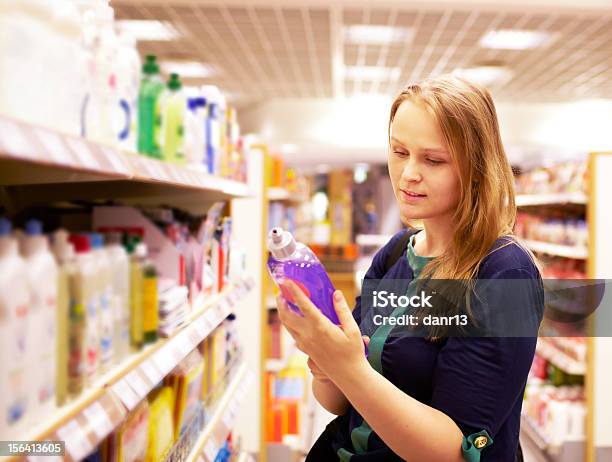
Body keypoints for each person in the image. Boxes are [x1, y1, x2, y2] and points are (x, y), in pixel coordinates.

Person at [276, 75, 544, 461]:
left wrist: (349, 368)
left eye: (433, 160)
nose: (408, 174)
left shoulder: (504, 272)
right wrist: (325, 363)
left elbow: (454, 452)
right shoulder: (396, 253)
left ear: (477, 168)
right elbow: (338, 402)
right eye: (399, 152)